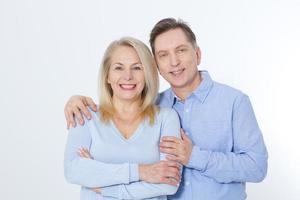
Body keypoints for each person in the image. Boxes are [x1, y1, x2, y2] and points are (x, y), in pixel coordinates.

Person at [64, 18, 268, 200]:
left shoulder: (234, 102)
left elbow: (257, 167)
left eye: (181, 50)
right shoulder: (154, 107)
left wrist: (195, 157)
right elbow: (122, 104)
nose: (174, 62)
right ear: (156, 66)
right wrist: (75, 100)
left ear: (197, 54)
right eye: (163, 55)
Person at [64, 37, 182, 200]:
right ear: (107, 76)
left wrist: (102, 184)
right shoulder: (85, 114)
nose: (128, 76)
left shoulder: (166, 118)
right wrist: (142, 172)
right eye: (119, 68)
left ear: (147, 74)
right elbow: (73, 170)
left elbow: (169, 183)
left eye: (137, 68)